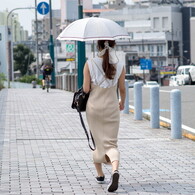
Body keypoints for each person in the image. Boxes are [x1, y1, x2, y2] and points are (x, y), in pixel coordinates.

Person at [83, 40, 126, 192]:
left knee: (97, 141)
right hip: (111, 108)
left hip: (94, 108)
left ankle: (100, 175)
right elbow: (122, 89)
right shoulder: (120, 65)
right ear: (113, 46)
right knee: (111, 144)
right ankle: (114, 170)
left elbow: (86, 89)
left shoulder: (90, 63)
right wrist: (122, 102)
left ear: (98, 46)